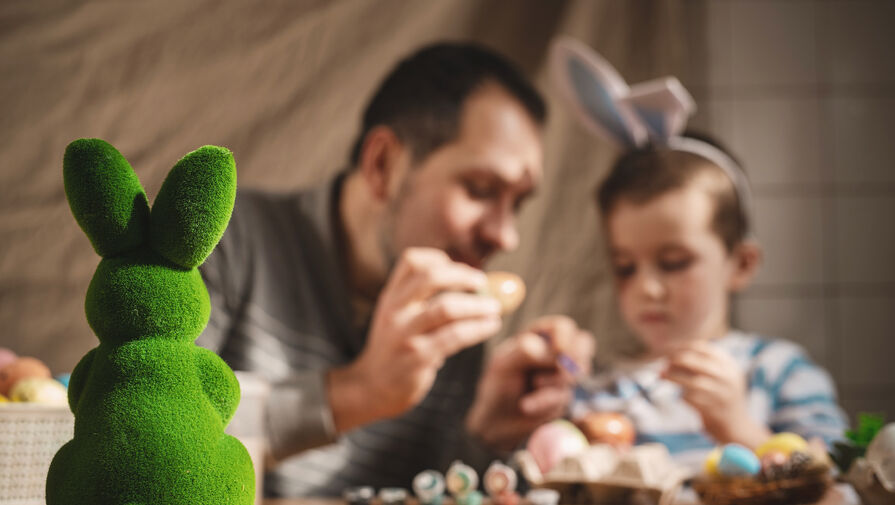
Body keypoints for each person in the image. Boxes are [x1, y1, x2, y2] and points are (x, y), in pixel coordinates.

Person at [197, 42, 595, 497]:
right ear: (383, 165)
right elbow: (150, 438)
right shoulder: (224, 239)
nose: (506, 236)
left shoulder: (453, 331)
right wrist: (359, 391)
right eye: (481, 189)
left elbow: (434, 491)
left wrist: (486, 433)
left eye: (518, 204)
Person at [573, 132, 848, 467]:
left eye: (674, 263)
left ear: (742, 264)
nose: (647, 288)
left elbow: (837, 486)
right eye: (624, 267)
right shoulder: (595, 393)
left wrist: (740, 430)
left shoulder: (781, 374)